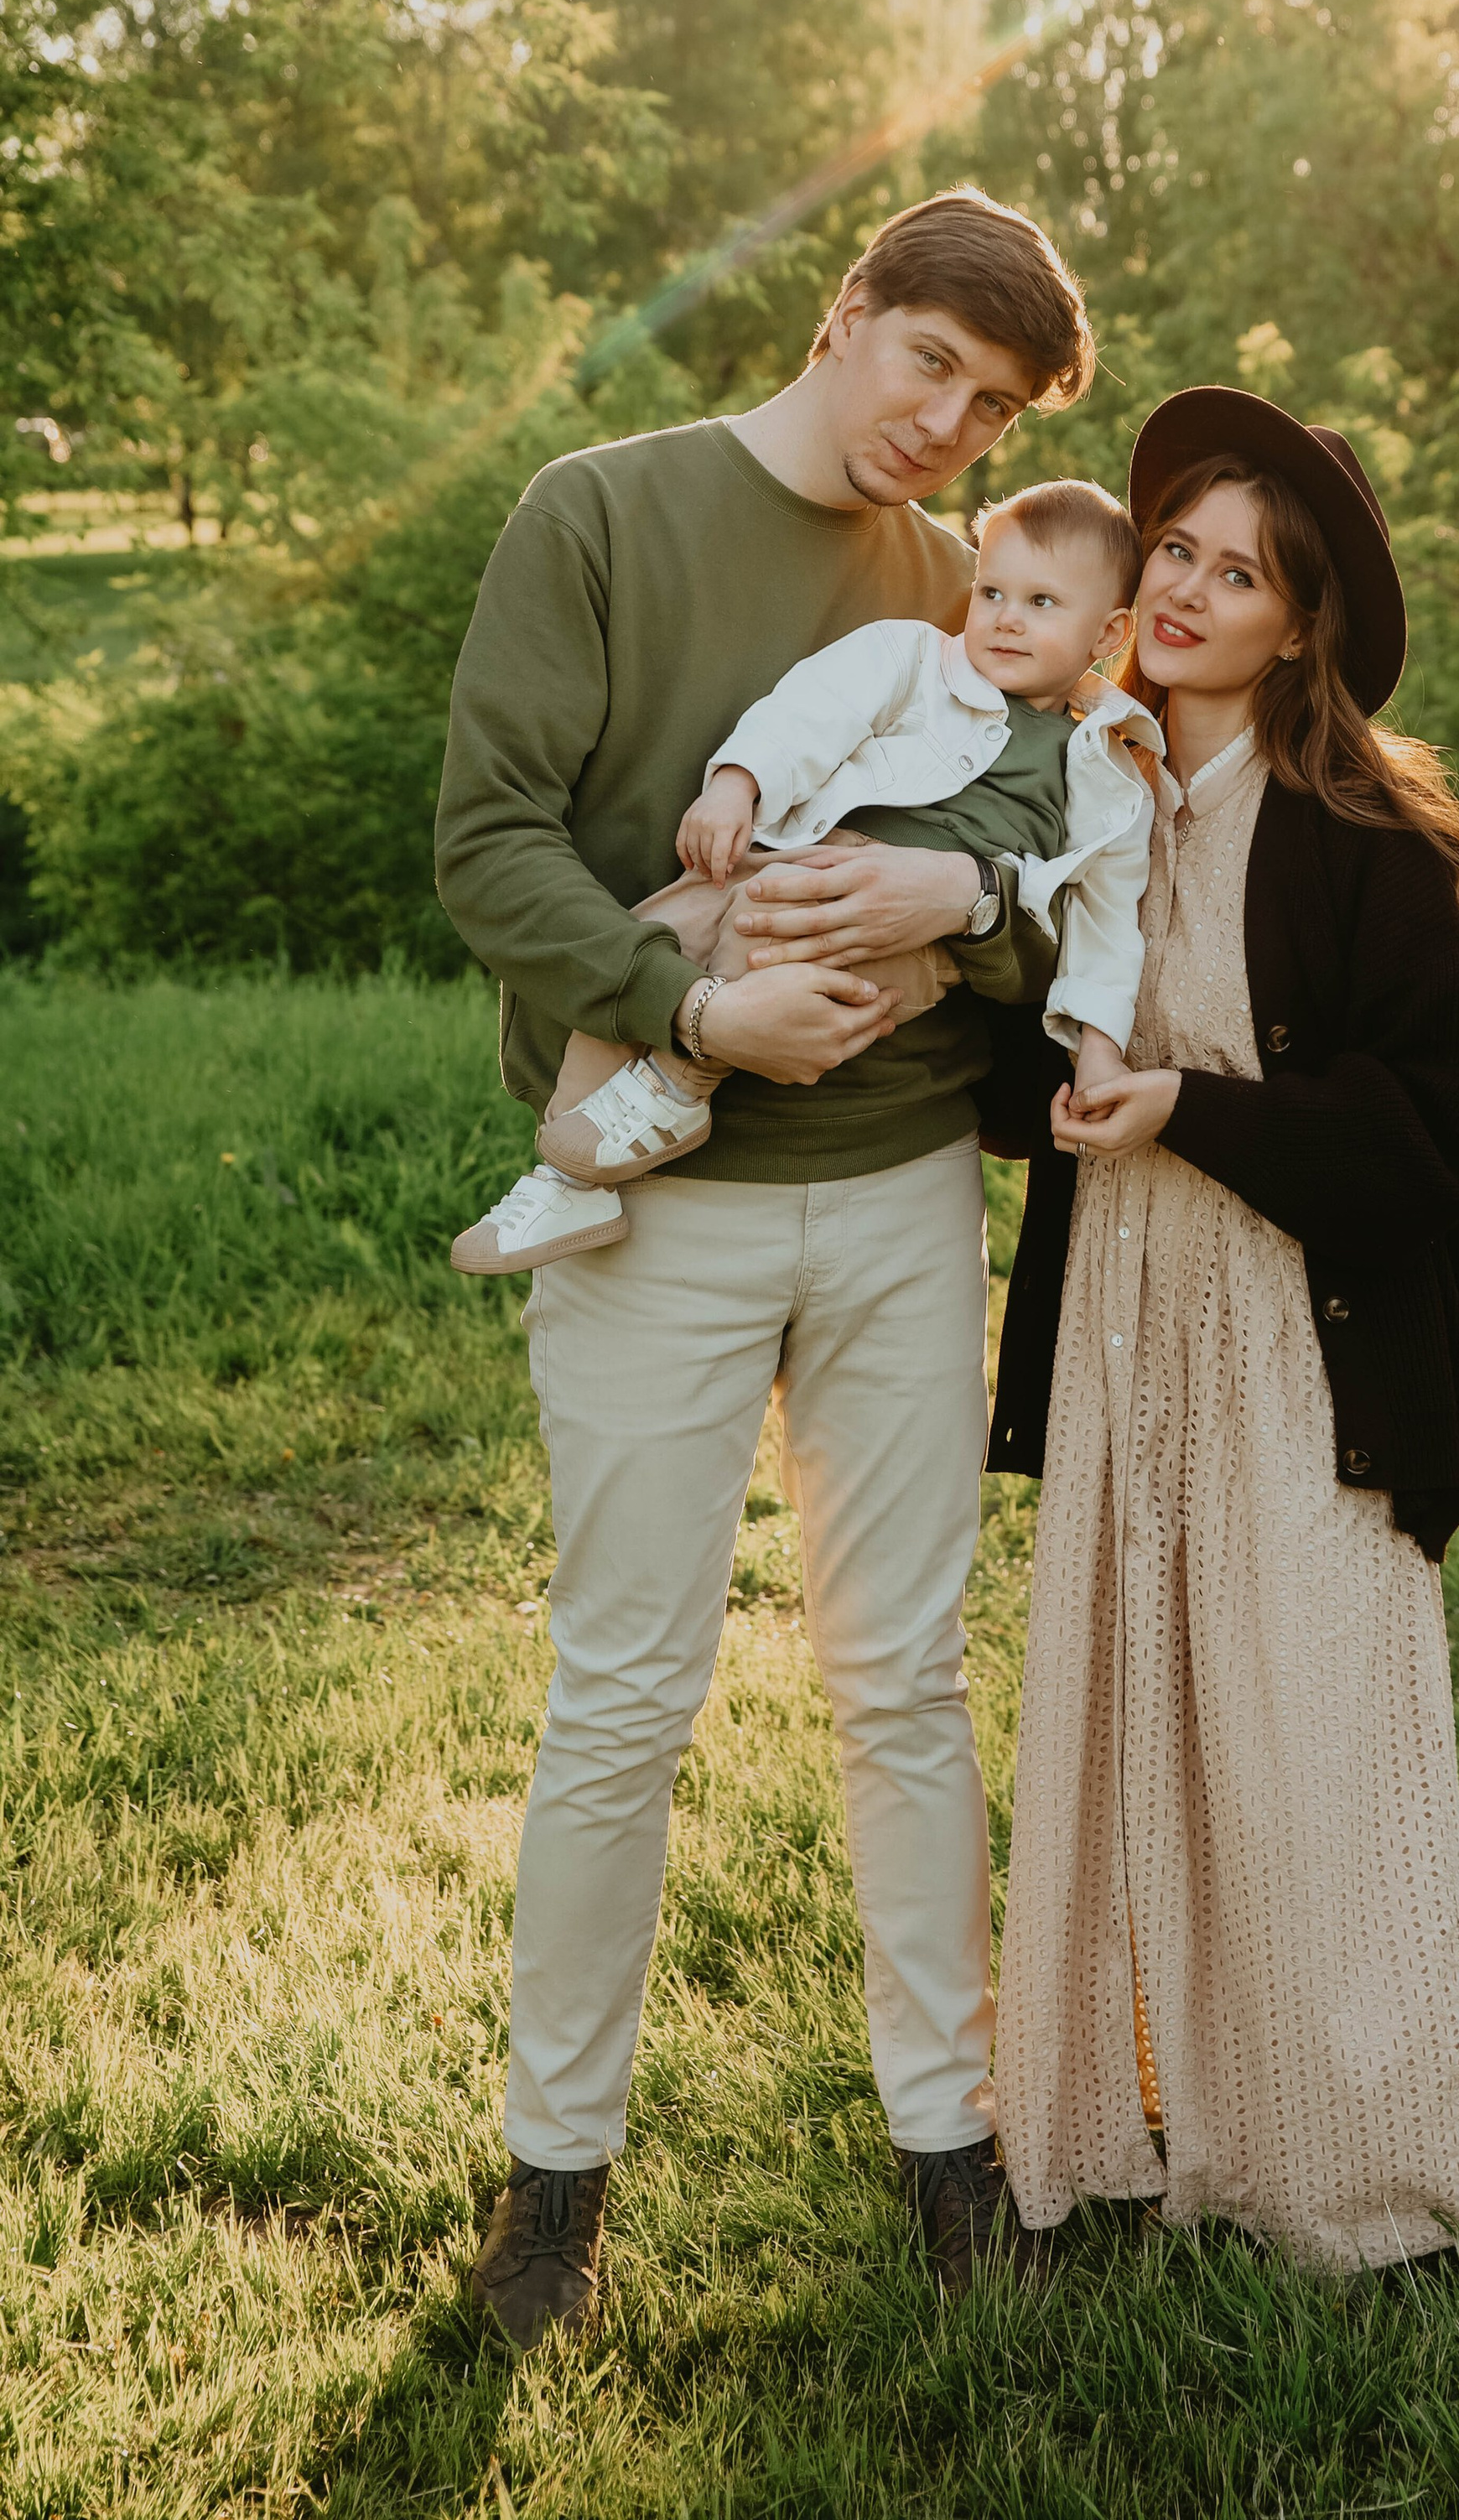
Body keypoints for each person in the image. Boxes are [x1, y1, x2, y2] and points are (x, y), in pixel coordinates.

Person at [432, 188, 1091, 2350]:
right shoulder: (601, 514)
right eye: (930, 366)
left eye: (987, 405)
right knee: (624, 1690)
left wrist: (944, 918)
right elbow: (488, 839)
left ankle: (949, 2141)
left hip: (900, 1196)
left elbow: (1050, 884)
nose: (945, 425)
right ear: (846, 313)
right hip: (663, 1212)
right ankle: (553, 2176)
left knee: (904, 1677)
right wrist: (687, 1005)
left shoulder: (974, 594)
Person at [989, 385, 1459, 2273]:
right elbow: (1023, 1051)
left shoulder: (1357, 831)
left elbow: (1439, 1145)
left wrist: (1187, 1110)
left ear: (1299, 623)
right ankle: (1124, 2128)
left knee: (1296, 1736)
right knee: (1129, 1709)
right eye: (1173, 556)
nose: (1193, 591)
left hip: (1300, 1341)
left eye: (1241, 573)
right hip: (1125, 1325)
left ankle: (1344, 2172)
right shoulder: (1082, 786)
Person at [449, 479, 1160, 1273]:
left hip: (909, 938)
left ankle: (681, 1086)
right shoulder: (916, 658)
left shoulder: (1107, 773)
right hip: (788, 857)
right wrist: (737, 783)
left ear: (1110, 631)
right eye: (991, 590)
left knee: (769, 943)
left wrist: (1098, 1045)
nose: (1004, 617)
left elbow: (1107, 921)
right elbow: (814, 710)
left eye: (1041, 602)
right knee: (650, 941)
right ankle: (568, 1174)